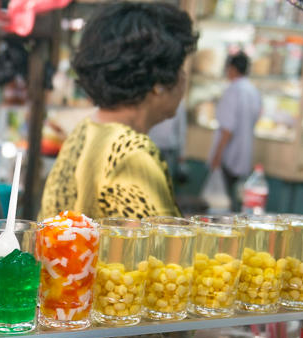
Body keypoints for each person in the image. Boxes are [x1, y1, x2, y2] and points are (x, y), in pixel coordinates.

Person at [38, 2, 197, 221]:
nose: (183, 77)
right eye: (179, 68)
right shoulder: (131, 153)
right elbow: (153, 240)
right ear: (159, 83)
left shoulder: (85, 130)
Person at [208, 52, 262, 213]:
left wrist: (217, 156)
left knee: (223, 204)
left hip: (229, 155)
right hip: (244, 154)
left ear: (231, 69)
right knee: (238, 202)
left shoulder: (232, 90)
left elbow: (227, 129)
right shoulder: (253, 91)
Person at [147, 101, 188, 185]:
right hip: (163, 146)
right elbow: (181, 130)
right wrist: (182, 153)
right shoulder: (178, 103)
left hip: (157, 146)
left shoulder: (154, 98)